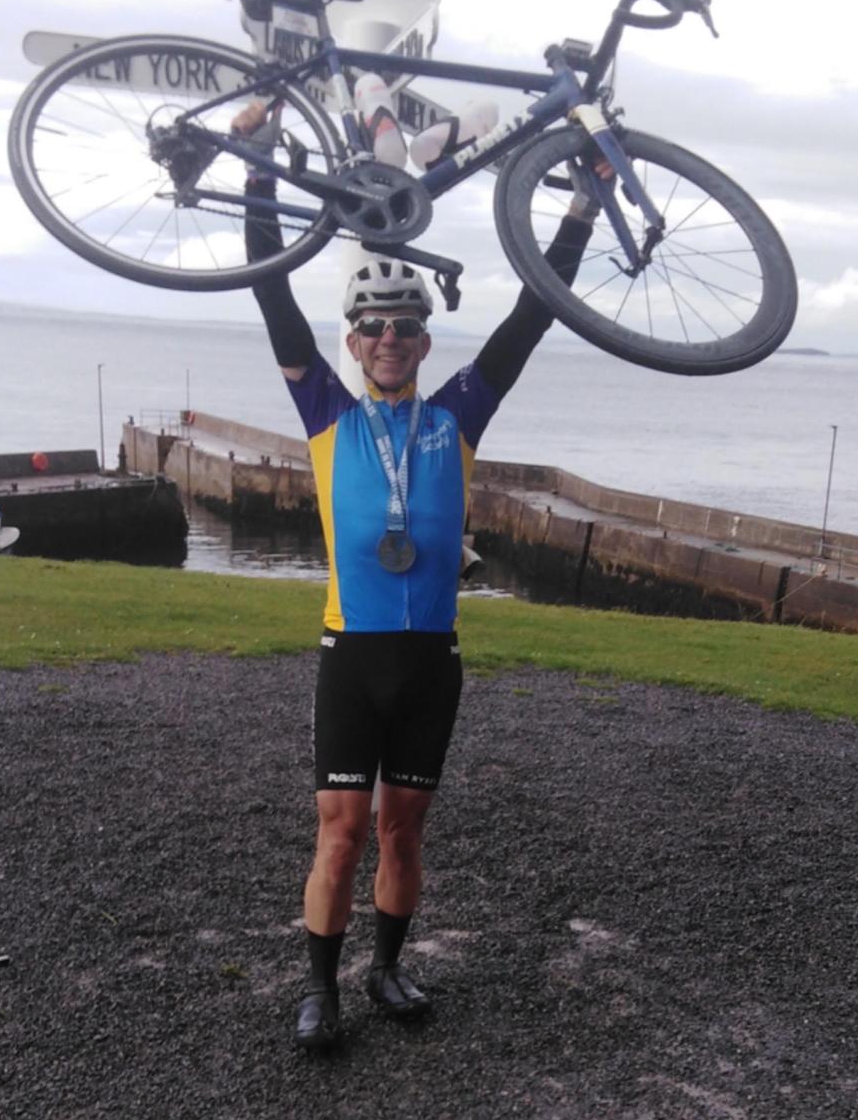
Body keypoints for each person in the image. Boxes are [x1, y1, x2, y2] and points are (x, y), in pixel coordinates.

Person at [238, 105, 604, 1049]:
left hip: (432, 658)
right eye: (373, 328)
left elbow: (533, 315)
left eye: (405, 326)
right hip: (350, 654)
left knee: (403, 832)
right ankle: (318, 987)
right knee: (340, 830)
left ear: (425, 343)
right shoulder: (326, 416)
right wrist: (258, 171)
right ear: (354, 345)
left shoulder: (459, 418)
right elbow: (271, 296)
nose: (391, 338)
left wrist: (583, 211)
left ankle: (387, 969)